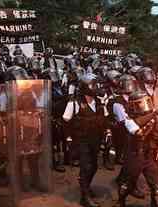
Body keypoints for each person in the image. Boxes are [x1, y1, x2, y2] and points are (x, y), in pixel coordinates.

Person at [117, 91, 158, 207]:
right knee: (127, 185)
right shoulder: (128, 118)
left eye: (147, 102)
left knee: (156, 188)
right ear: (134, 105)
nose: (146, 105)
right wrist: (154, 115)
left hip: (149, 156)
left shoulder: (153, 116)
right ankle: (120, 202)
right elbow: (137, 131)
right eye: (142, 103)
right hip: (135, 156)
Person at [63, 73, 106, 207]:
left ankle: (86, 186)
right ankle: (84, 196)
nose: (97, 87)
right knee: (86, 167)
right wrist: (69, 138)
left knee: (93, 167)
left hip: (95, 140)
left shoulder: (99, 102)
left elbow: (104, 119)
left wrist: (107, 134)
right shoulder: (74, 103)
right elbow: (65, 121)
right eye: (94, 85)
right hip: (81, 141)